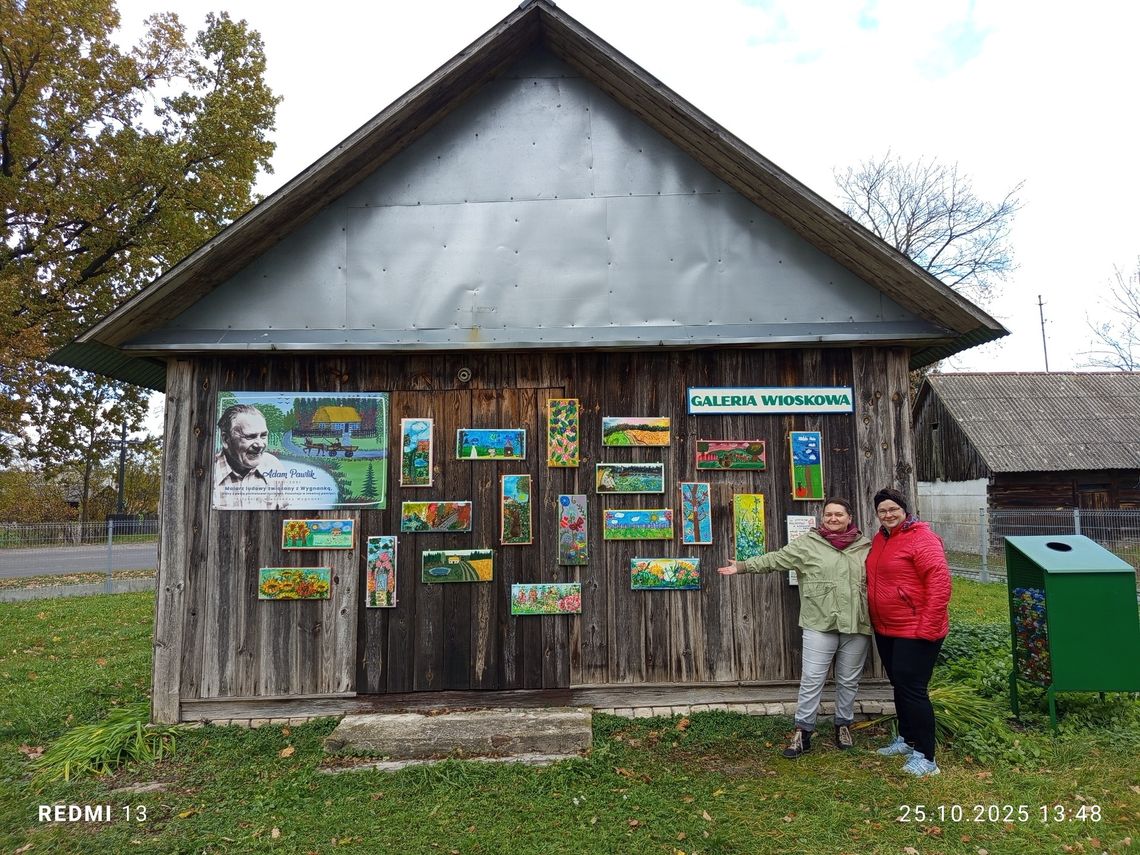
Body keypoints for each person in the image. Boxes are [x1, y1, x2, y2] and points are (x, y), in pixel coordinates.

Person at [718, 498, 872, 758]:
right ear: (822, 518)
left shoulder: (866, 546)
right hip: (819, 622)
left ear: (850, 517)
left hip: (856, 623)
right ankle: (803, 731)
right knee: (812, 679)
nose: (833, 519)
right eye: (828, 515)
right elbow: (777, 559)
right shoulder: (808, 544)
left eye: (839, 515)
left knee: (848, 680)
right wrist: (743, 567)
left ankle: (843, 725)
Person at [866, 487, 952, 778]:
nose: (888, 515)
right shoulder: (881, 539)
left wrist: (927, 627)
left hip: (916, 628)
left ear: (905, 510)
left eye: (893, 509)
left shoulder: (922, 538)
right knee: (900, 685)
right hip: (887, 627)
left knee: (914, 690)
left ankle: (927, 757)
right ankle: (907, 738)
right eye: (882, 511)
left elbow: (939, 584)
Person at [213, 404, 290, 510]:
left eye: (263, 435)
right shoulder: (210, 473)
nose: (260, 445)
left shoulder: (274, 466)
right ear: (226, 439)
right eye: (250, 436)